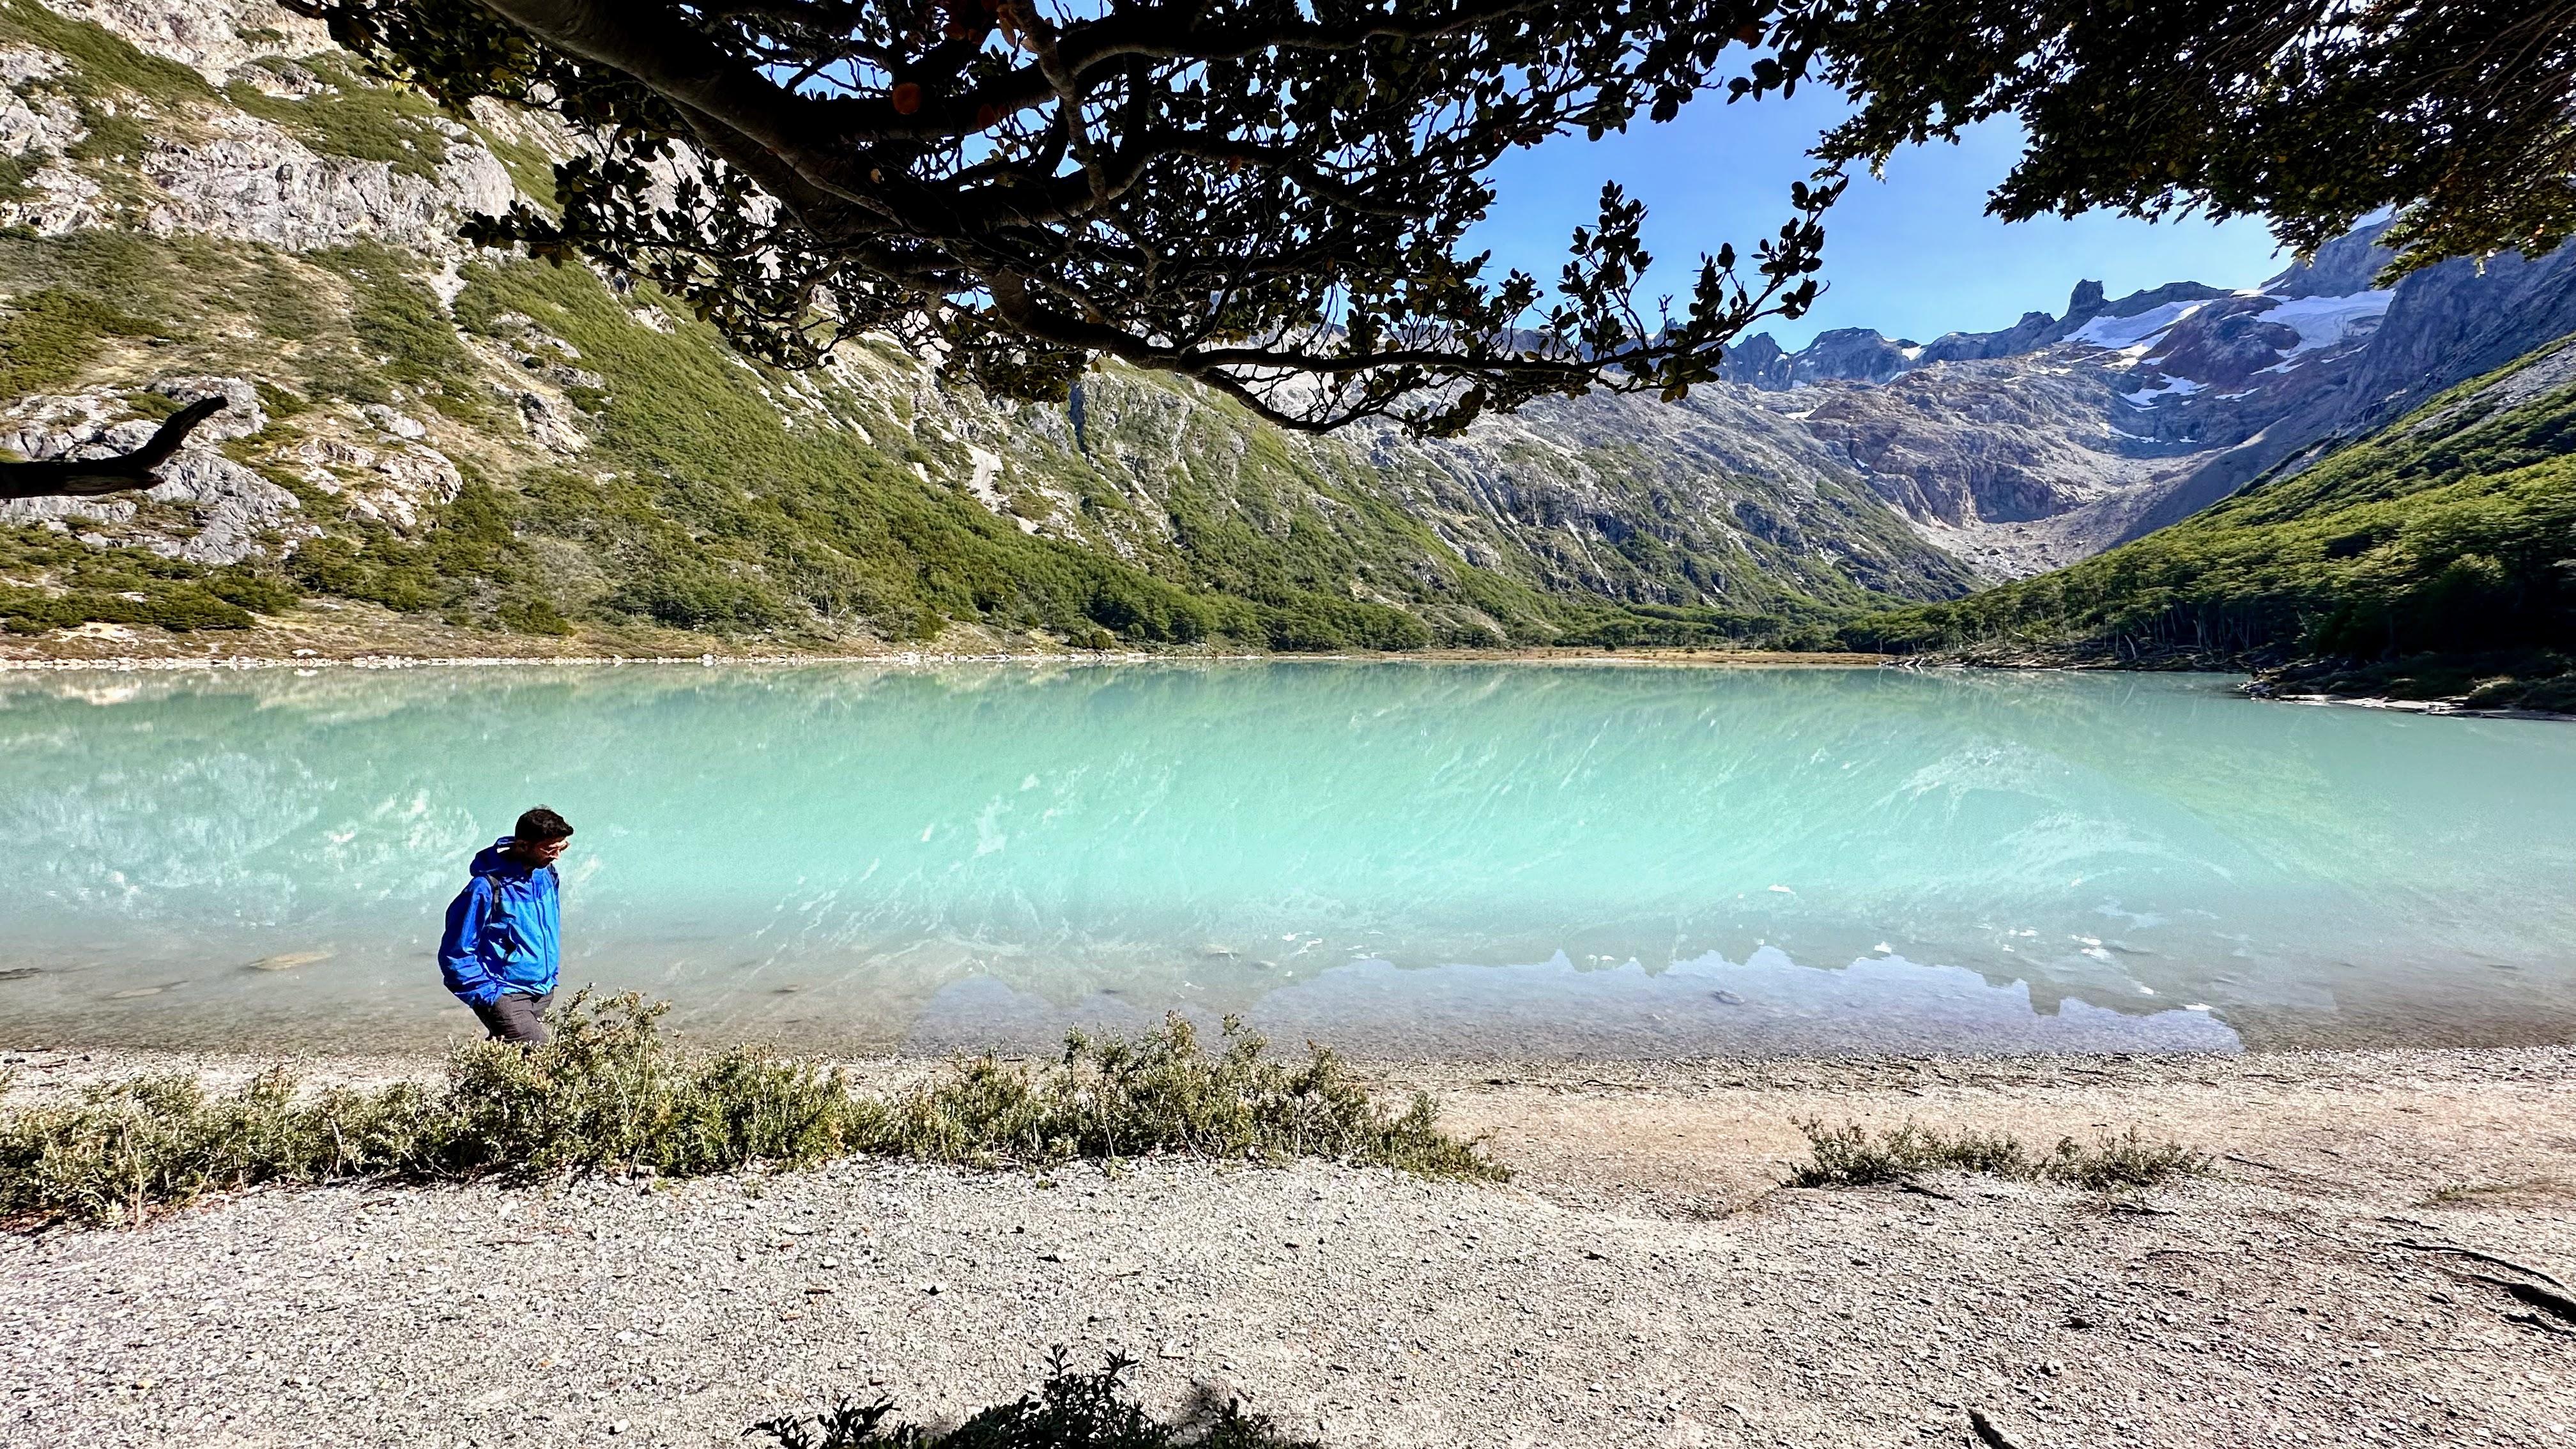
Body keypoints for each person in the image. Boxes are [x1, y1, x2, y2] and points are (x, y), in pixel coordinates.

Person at [437, 806, 574, 1044]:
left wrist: (549, 974)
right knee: (542, 1056)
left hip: (542, 990)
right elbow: (456, 952)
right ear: (522, 846)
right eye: (549, 849)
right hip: (504, 991)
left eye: (561, 848)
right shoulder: (485, 888)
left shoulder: (547, 875)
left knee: (516, 1066)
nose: (557, 856)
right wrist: (489, 995)